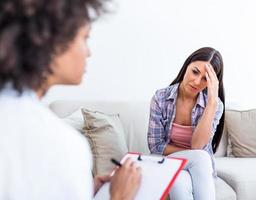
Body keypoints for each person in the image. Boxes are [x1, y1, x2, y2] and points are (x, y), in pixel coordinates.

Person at [0, 0, 141, 199]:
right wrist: (119, 196)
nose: (89, 52)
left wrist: (85, 189)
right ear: (53, 43)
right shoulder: (62, 146)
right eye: (85, 37)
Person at [147, 47, 225, 200]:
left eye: (205, 79)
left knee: (179, 182)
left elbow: (198, 145)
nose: (197, 82)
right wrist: (192, 157)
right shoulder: (161, 98)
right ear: (186, 66)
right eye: (195, 72)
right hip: (168, 163)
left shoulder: (215, 105)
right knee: (201, 157)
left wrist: (211, 104)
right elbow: (156, 147)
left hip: (198, 169)